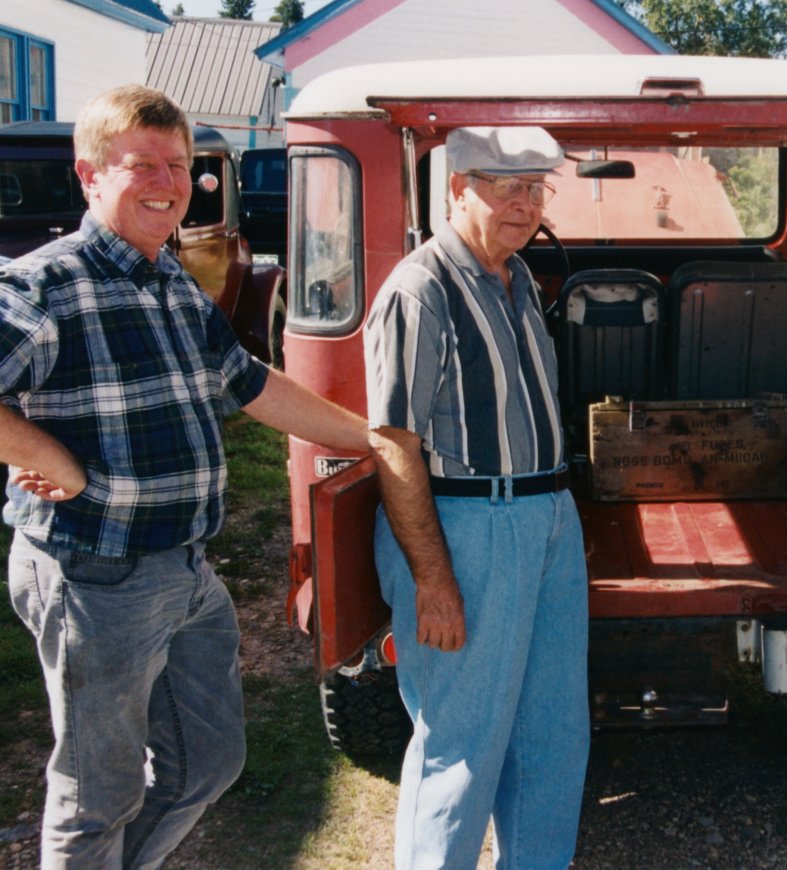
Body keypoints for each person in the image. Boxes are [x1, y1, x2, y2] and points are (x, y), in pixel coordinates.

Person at [0, 84, 372, 867]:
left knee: (208, 763)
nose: (169, 183)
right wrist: (50, 458)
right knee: (96, 795)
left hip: (186, 569)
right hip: (94, 574)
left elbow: (251, 382)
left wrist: (377, 440)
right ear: (90, 174)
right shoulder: (43, 285)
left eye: (180, 165)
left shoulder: (170, 282)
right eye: (144, 165)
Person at [363, 126, 589, 869]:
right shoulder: (420, 287)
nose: (525, 205)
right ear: (458, 189)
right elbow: (394, 441)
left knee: (551, 732)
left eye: (536, 188)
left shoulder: (518, 280)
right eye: (505, 187)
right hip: (469, 523)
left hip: (547, 515)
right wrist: (433, 578)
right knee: (460, 741)